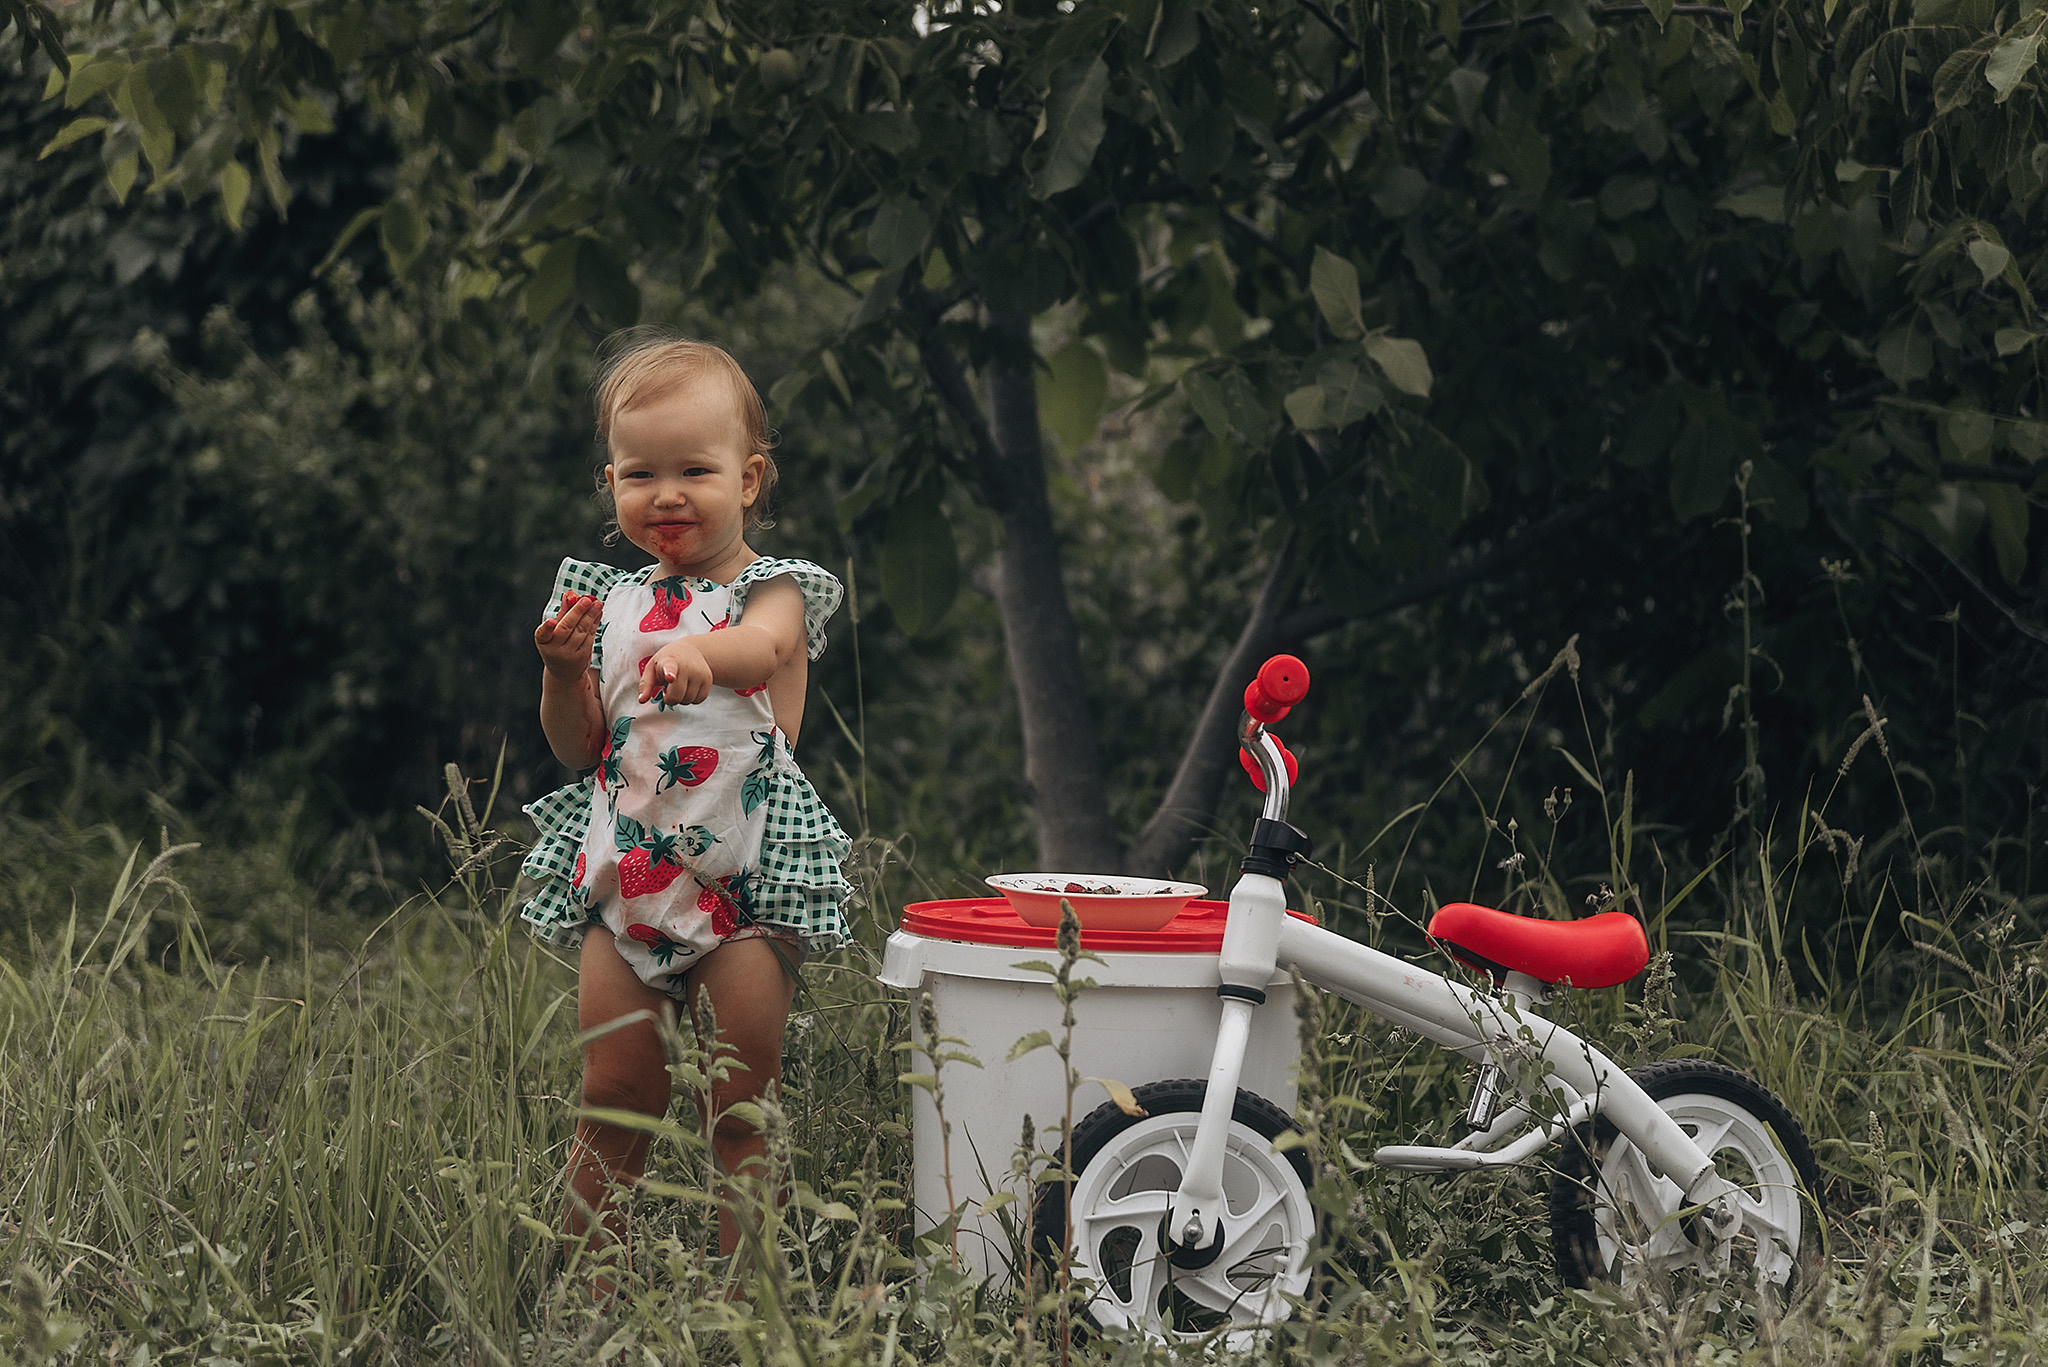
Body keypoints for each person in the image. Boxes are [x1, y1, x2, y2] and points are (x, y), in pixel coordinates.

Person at [517, 334, 852, 1276]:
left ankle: (751, 1304)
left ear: (749, 480)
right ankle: (590, 1300)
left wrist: (704, 656)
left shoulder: (769, 590)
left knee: (740, 1109)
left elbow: (762, 652)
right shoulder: (607, 598)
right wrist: (561, 671)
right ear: (610, 481)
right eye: (640, 473)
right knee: (613, 1096)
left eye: (695, 470)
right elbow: (581, 744)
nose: (666, 494)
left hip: (743, 885)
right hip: (626, 881)